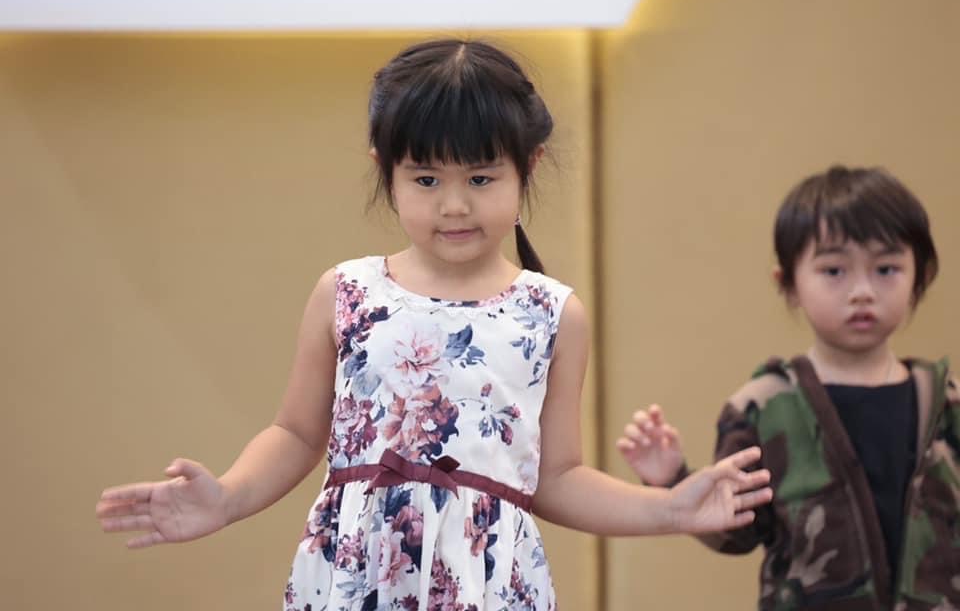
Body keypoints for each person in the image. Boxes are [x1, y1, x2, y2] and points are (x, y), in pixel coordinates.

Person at [96, 38, 772, 611]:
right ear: (385, 171)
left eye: (480, 179)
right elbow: (297, 434)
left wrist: (671, 509)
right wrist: (227, 498)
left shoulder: (552, 313)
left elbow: (557, 478)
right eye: (426, 180)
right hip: (355, 574)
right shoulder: (346, 291)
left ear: (528, 167)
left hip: (488, 582)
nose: (453, 205)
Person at [618, 165, 957, 610]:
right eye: (834, 270)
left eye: (886, 268)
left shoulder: (947, 403)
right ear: (789, 284)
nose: (862, 291)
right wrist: (673, 481)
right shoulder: (763, 407)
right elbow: (736, 534)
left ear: (921, 276)